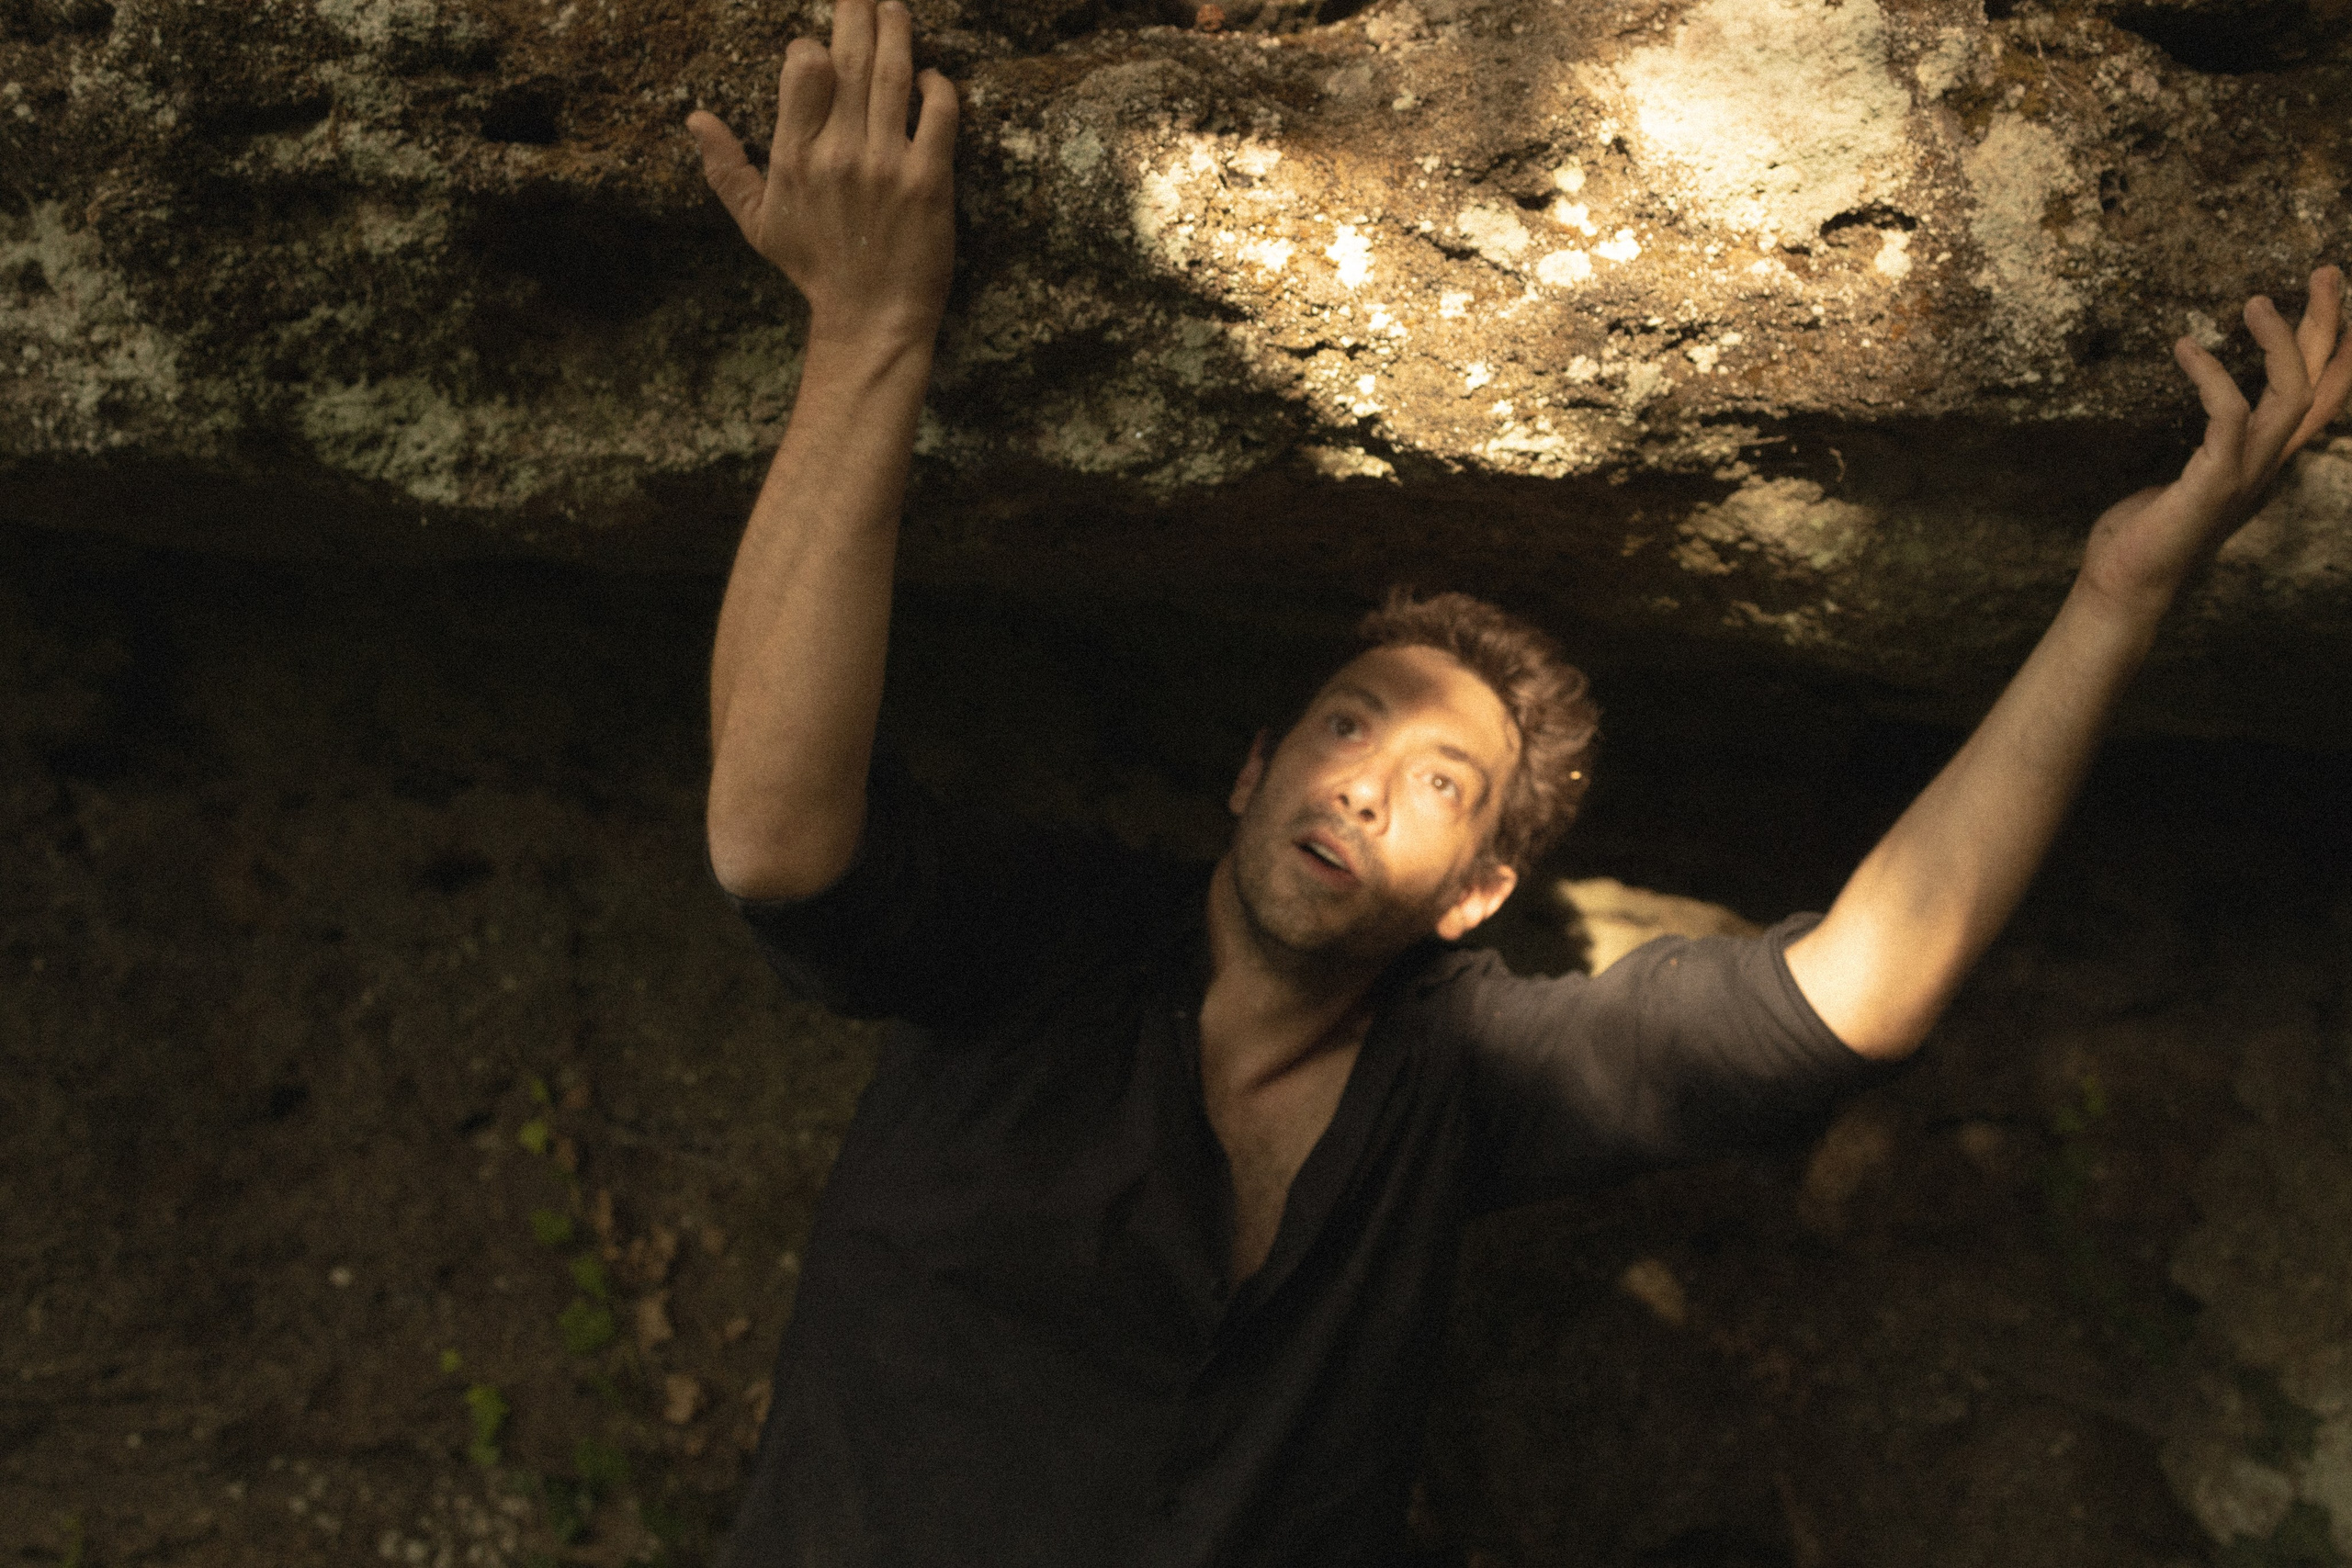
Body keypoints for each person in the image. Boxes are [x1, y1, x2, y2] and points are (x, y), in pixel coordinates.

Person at [684, 4, 2352, 1562]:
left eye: (1442, 784)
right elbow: (771, 829)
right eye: (1346, 729)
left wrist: (2117, 598)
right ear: (1255, 770)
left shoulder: (1464, 1082)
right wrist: (871, 331)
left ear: (1478, 894)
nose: (1365, 787)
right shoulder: (1047, 949)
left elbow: (1863, 987)